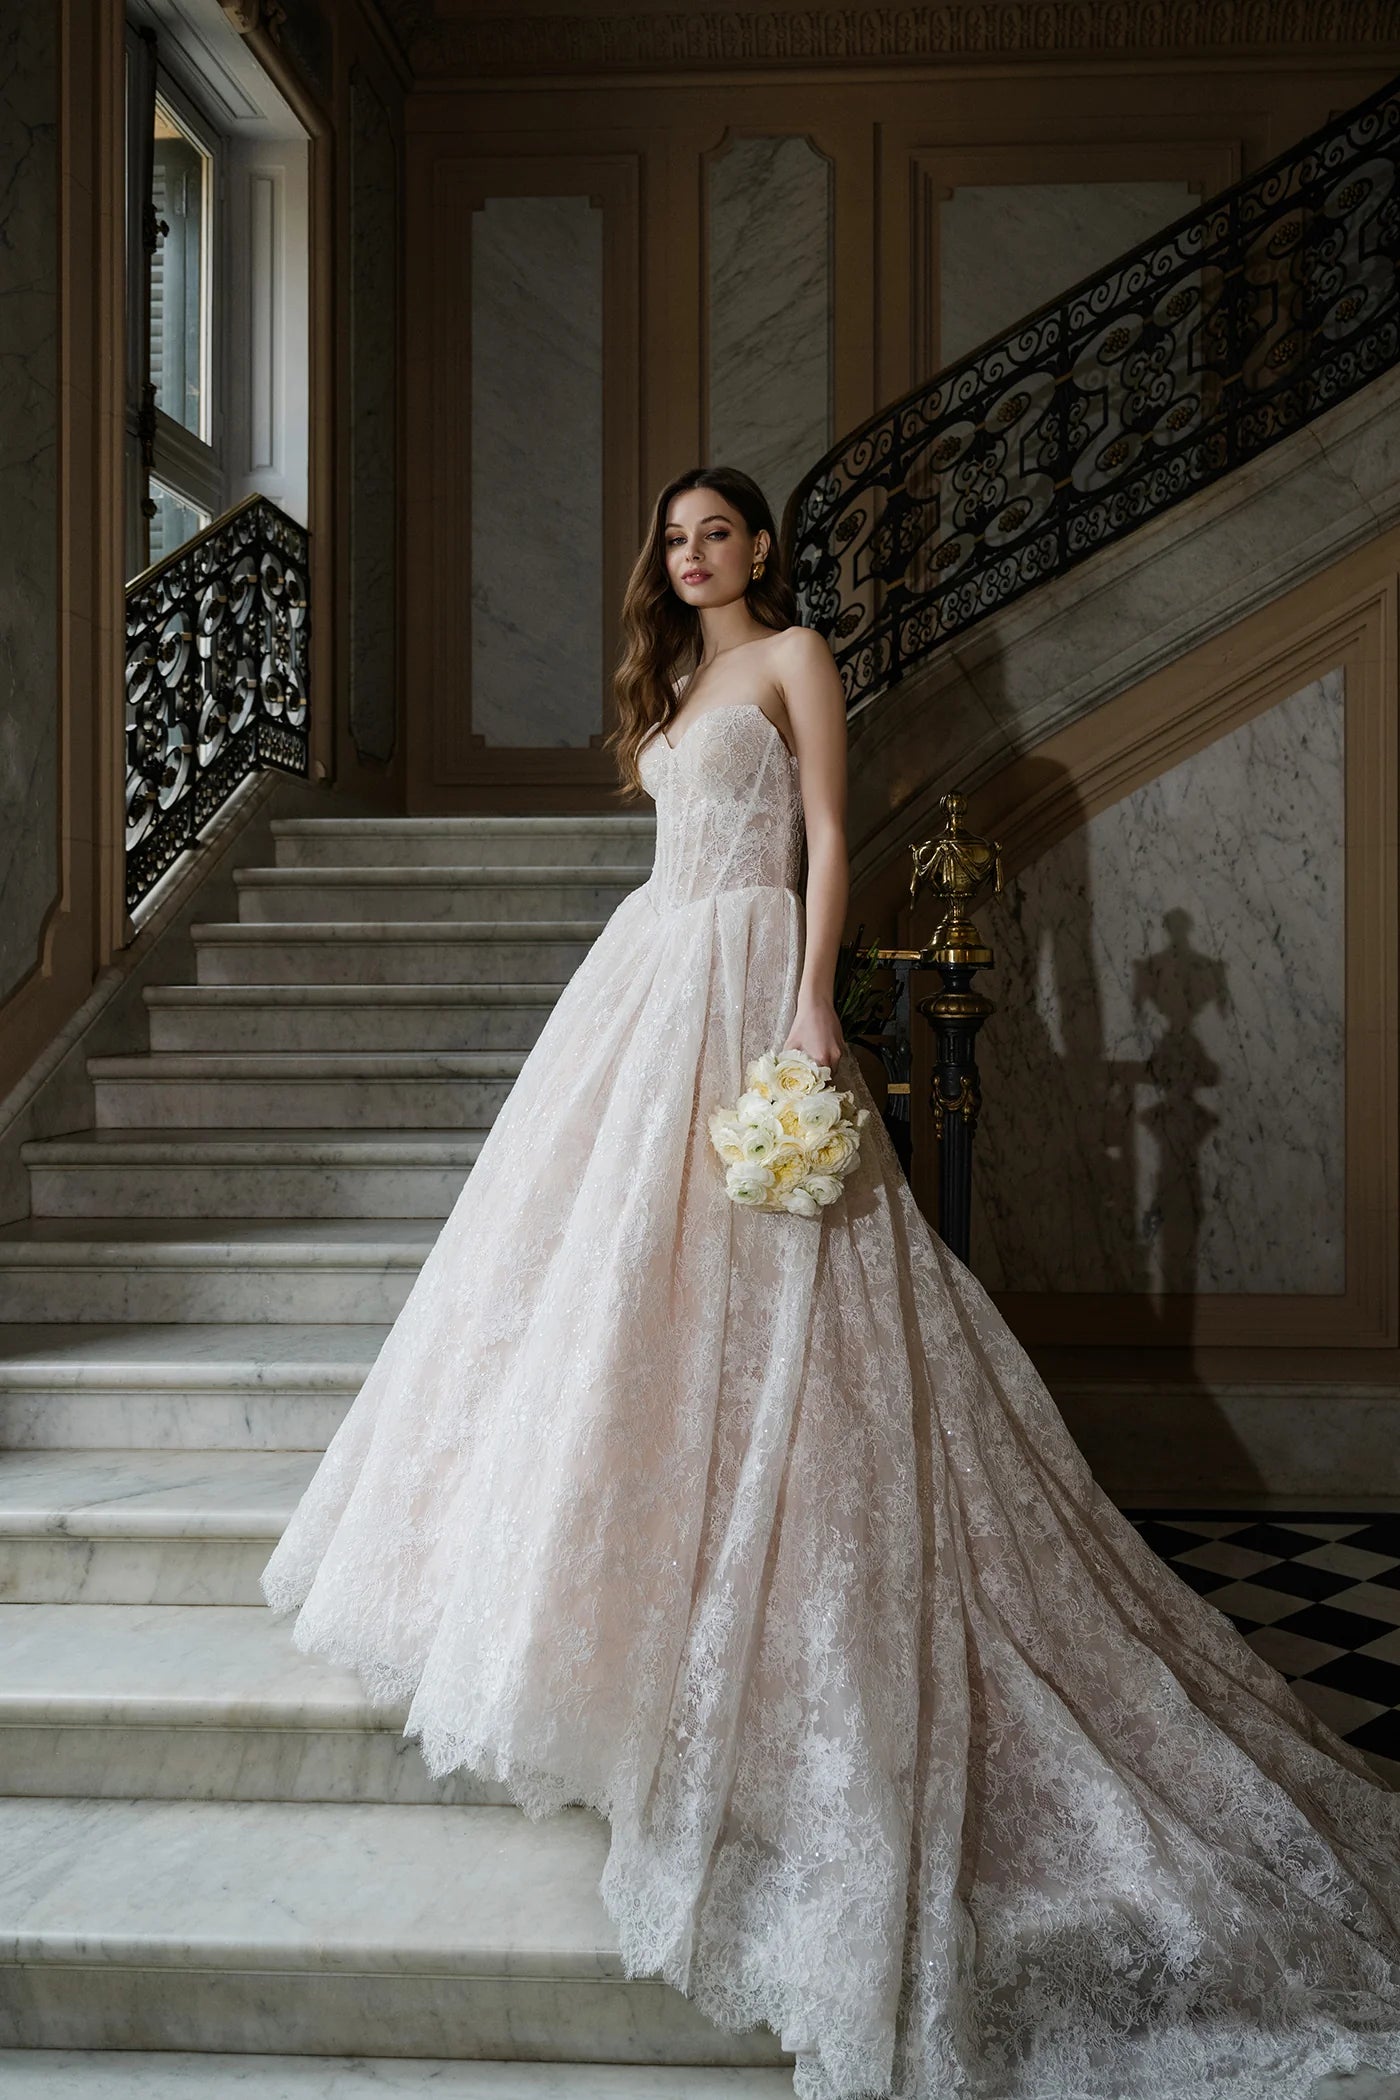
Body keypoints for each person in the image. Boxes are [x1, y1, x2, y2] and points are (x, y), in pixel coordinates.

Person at [263, 465, 1400, 2100]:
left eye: (714, 532)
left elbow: (816, 840)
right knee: (598, 1286)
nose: (692, 554)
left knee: (795, 1290)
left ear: (763, 548)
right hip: (645, 976)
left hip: (743, 970)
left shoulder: (795, 662)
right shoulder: (672, 678)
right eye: (671, 536)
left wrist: (811, 1006)